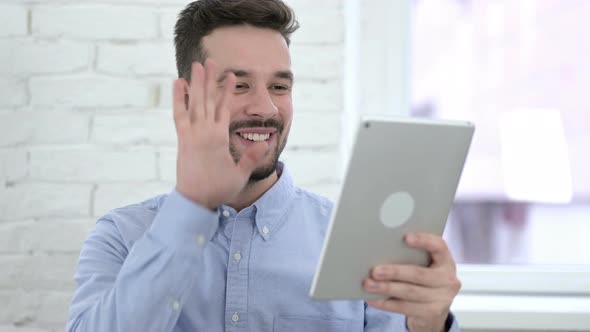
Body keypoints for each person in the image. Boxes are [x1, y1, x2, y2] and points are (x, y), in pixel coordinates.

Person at [67, 0, 461, 331]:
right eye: (239, 85)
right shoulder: (120, 237)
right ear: (187, 98)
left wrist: (429, 324)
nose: (266, 108)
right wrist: (192, 206)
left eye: (279, 86)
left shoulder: (357, 247)